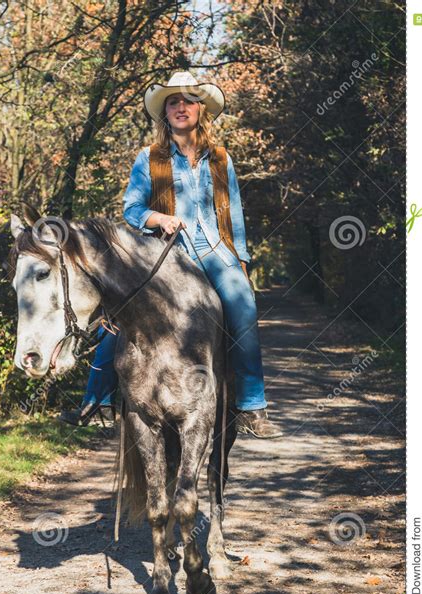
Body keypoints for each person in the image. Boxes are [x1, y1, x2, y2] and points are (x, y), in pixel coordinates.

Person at [60, 70, 282, 439]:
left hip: (215, 251)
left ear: (200, 110)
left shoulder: (222, 159)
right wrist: (157, 217)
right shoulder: (149, 158)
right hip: (167, 254)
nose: (181, 107)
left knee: (244, 308)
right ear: (166, 114)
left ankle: (251, 407)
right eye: (173, 102)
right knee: (119, 319)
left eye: (188, 101)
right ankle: (97, 403)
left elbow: (236, 212)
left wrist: (240, 260)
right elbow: (131, 208)